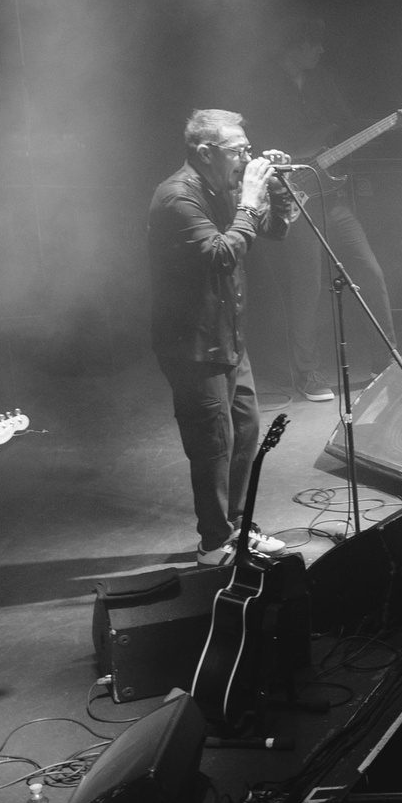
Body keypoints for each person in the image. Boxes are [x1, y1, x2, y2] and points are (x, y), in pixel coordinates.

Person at [149, 108, 291, 565]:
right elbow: (221, 255)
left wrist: (276, 191)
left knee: (245, 431)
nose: (246, 157)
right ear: (206, 152)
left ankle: (237, 527)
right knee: (212, 444)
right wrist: (250, 199)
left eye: (247, 149)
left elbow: (273, 231)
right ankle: (213, 542)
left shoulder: (224, 188)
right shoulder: (176, 197)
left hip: (227, 336)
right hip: (192, 345)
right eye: (238, 151)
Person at [241, 30, 399, 402]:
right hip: (292, 195)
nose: (322, 48)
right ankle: (307, 373)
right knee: (308, 286)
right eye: (313, 41)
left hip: (331, 196)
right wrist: (287, 169)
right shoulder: (264, 87)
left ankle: (386, 361)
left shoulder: (321, 83)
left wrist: (395, 121)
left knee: (370, 272)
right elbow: (255, 142)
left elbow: (348, 125)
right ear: (292, 44)